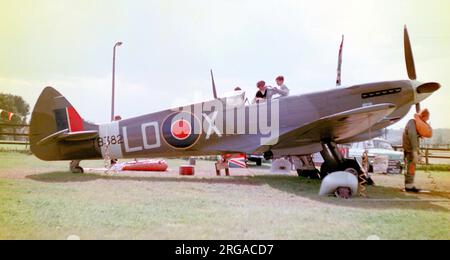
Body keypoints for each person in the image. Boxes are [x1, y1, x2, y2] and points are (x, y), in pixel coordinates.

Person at [403, 108, 432, 193]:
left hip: (411, 150)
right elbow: (412, 138)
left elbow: (414, 136)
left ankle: (409, 185)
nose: (427, 120)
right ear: (423, 116)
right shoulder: (412, 123)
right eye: (427, 118)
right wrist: (415, 153)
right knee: (410, 167)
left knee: (411, 167)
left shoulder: (414, 123)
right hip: (410, 151)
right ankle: (409, 186)